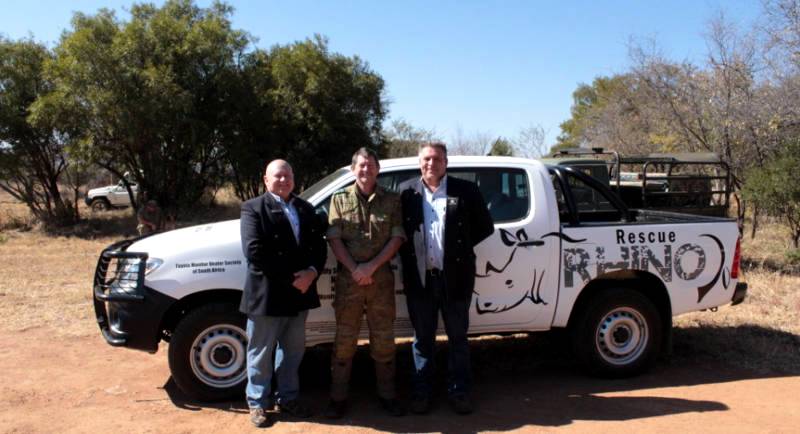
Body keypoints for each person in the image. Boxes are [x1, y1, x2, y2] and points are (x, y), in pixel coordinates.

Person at [398, 142, 494, 415]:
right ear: (419, 162)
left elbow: (485, 227)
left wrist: (458, 249)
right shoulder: (406, 192)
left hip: (456, 278)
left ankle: (459, 391)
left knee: (458, 338)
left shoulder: (466, 190)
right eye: (426, 159)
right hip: (420, 280)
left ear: (445, 163)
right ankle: (421, 392)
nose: (431, 164)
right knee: (422, 340)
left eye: (437, 159)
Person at [239, 159, 327, 427]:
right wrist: (293, 278)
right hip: (268, 293)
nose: (283, 180)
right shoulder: (253, 208)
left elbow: (318, 247)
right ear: (266, 180)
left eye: (287, 175)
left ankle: (287, 398)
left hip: (299, 293)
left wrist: (312, 272)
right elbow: (254, 252)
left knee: (293, 352)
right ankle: (257, 403)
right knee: (260, 352)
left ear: (294, 179)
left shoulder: (305, 208)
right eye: (277, 176)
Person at [324, 148, 406, 418]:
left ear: (378, 169)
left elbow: (396, 238)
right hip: (349, 281)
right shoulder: (339, 199)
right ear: (352, 169)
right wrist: (355, 269)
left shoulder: (392, 200)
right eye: (361, 165)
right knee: (345, 340)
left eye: (371, 165)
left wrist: (371, 267)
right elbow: (334, 238)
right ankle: (338, 397)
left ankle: (388, 395)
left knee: (383, 339)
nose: (366, 170)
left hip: (380, 280)